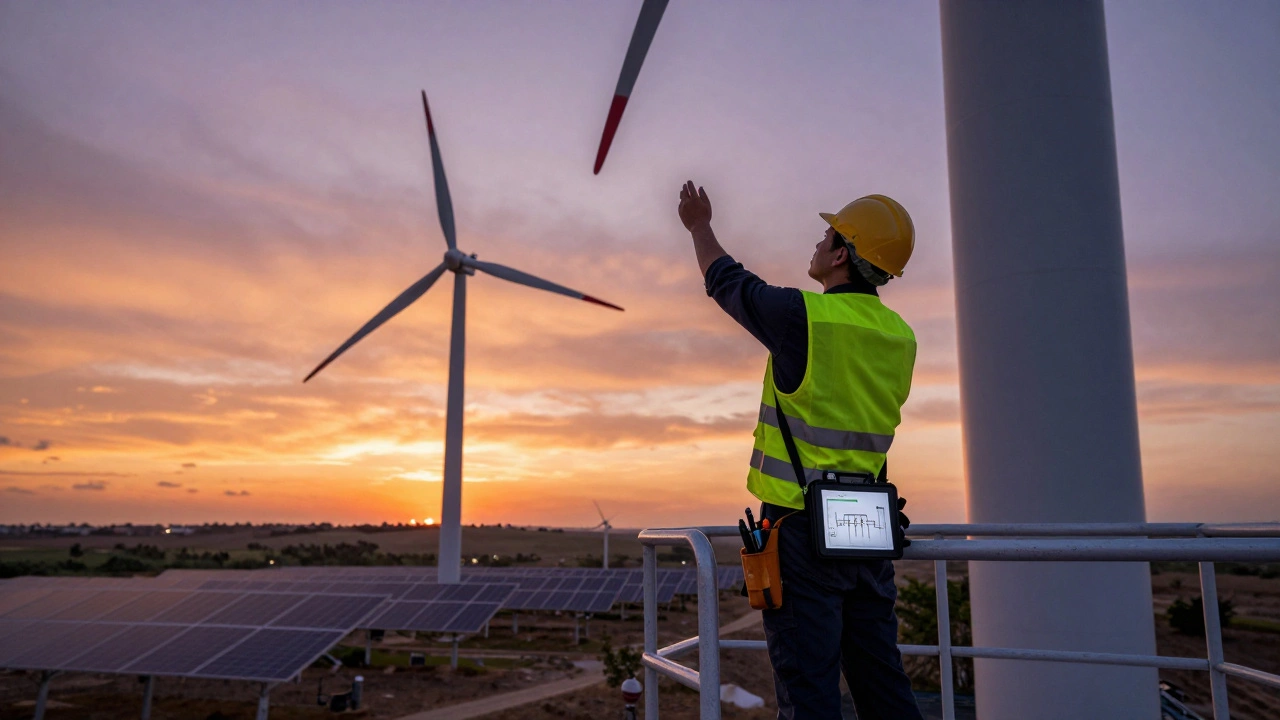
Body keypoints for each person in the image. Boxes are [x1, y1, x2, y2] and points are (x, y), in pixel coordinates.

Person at [677, 180, 922, 720]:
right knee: (882, 683)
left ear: (841, 254)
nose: (816, 243)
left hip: (800, 533)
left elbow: (726, 281)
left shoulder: (801, 318)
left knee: (808, 691)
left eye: (825, 235)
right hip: (871, 529)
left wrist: (699, 225)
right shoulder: (900, 337)